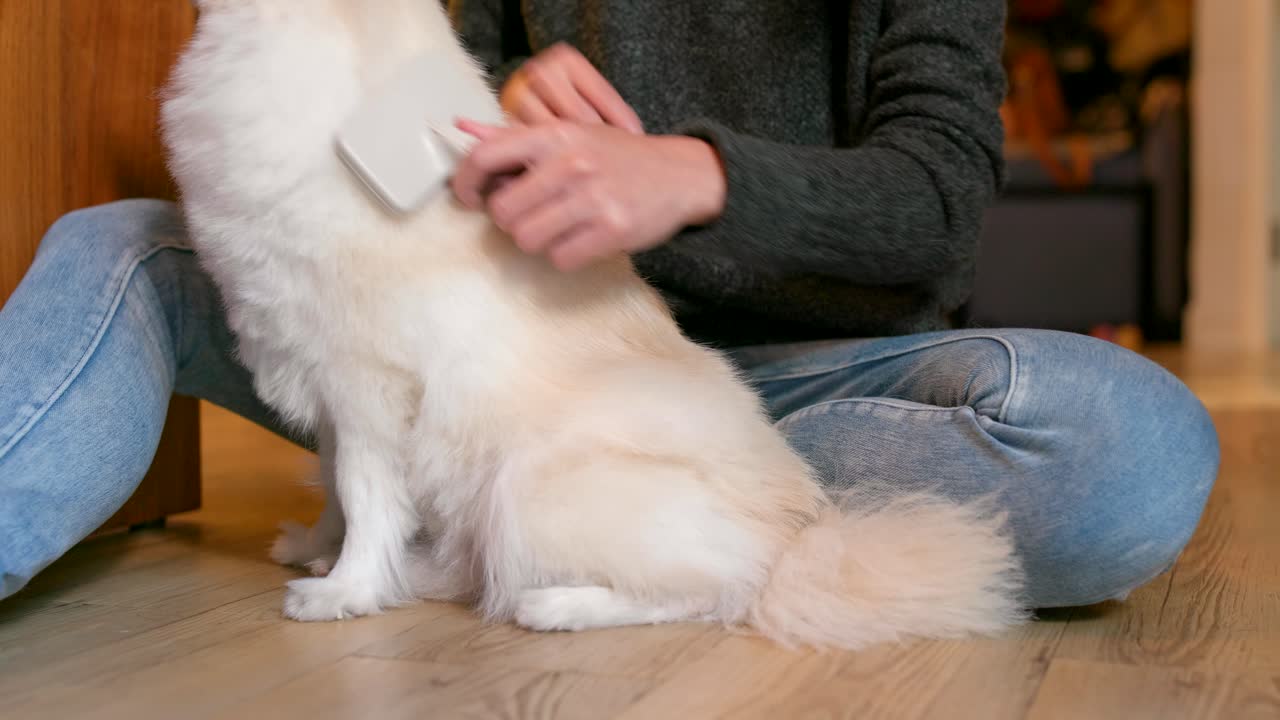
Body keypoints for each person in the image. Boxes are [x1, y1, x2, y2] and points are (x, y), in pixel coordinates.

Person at [0, 0, 1218, 608]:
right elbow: (399, 130)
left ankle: (688, 524)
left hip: (813, 379)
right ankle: (576, 524)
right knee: (125, 248)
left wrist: (697, 178)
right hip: (477, 368)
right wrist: (481, 99)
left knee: (1126, 449)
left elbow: (940, 195)